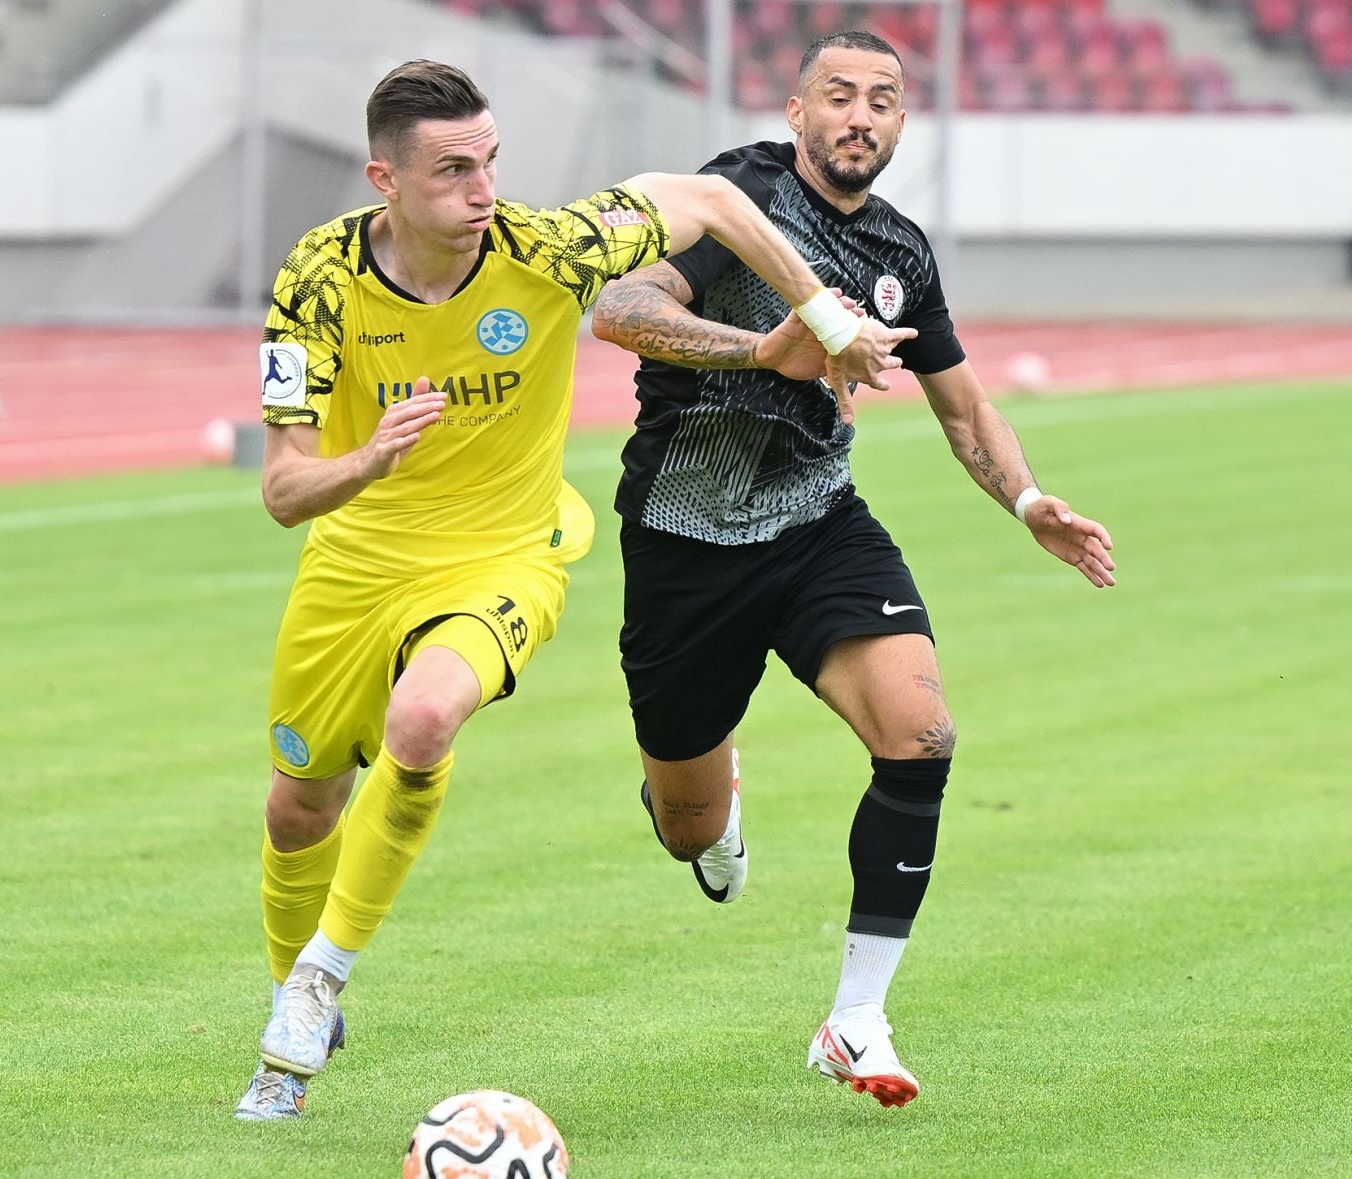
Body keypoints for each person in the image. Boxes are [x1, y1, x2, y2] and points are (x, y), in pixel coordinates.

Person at [238, 59, 908, 1121]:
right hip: (356, 561)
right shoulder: (319, 276)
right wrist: (369, 460)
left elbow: (715, 199)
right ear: (385, 181)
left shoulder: (547, 248)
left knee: (424, 719)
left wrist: (822, 317)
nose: (483, 190)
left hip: (504, 556)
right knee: (297, 808)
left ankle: (319, 983)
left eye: (491, 162)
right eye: (453, 171)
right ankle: (291, 1008)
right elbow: (284, 490)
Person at [589, 30, 1115, 1109]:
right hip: (686, 540)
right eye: (838, 95)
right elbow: (620, 311)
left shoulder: (900, 253)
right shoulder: (738, 198)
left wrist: (1027, 500)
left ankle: (856, 1018)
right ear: (797, 111)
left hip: (817, 525)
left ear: (901, 123)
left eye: (882, 99)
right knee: (687, 824)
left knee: (922, 734)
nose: (859, 116)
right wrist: (764, 348)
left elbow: (965, 408)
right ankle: (710, 805)